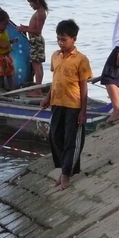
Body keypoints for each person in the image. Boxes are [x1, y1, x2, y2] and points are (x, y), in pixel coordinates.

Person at [40, 19, 93, 190]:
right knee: (55, 136)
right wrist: (48, 97)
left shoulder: (81, 59)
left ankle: (65, 175)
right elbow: (55, 80)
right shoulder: (55, 56)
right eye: (58, 39)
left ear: (74, 39)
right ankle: (64, 169)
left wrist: (83, 112)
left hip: (73, 105)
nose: (61, 43)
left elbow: (84, 87)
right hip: (57, 103)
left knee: (71, 139)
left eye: (64, 39)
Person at [17, 0, 48, 86]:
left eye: (31, 2)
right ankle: (38, 86)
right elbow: (33, 27)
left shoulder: (40, 13)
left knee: (37, 65)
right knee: (37, 64)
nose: (30, 5)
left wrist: (24, 30)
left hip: (36, 40)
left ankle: (38, 88)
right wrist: (25, 27)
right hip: (34, 40)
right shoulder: (39, 12)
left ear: (37, 1)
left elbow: (38, 31)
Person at [0, 9, 18, 90]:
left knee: (9, 73)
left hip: (7, 56)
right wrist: (1, 46)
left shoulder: (5, 31)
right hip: (0, 57)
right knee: (0, 74)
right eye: (4, 24)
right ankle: (0, 88)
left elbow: (6, 41)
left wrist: (12, 41)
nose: (6, 26)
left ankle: (12, 88)